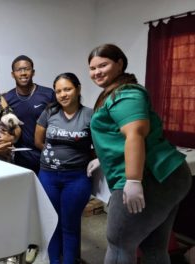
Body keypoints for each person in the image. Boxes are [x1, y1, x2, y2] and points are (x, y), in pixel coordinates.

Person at [87, 43, 192, 264]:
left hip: (152, 176)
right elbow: (118, 134)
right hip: (169, 175)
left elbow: (135, 133)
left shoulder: (126, 93)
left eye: (102, 65)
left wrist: (134, 180)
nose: (96, 72)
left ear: (119, 64)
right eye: (92, 68)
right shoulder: (114, 93)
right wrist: (102, 157)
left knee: (119, 243)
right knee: (153, 246)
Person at [35, 72, 93, 264]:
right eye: (58, 91)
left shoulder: (90, 115)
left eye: (67, 89)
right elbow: (38, 141)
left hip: (76, 178)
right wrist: (54, 158)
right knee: (52, 223)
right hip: (48, 176)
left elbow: (99, 145)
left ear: (78, 89)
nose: (63, 94)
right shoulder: (49, 112)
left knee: (69, 225)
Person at [4, 55, 55, 173]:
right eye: (18, 70)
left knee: (46, 191)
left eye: (26, 69)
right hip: (21, 157)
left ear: (33, 72)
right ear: (13, 74)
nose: (23, 73)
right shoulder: (7, 98)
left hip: (46, 154)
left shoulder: (48, 94)